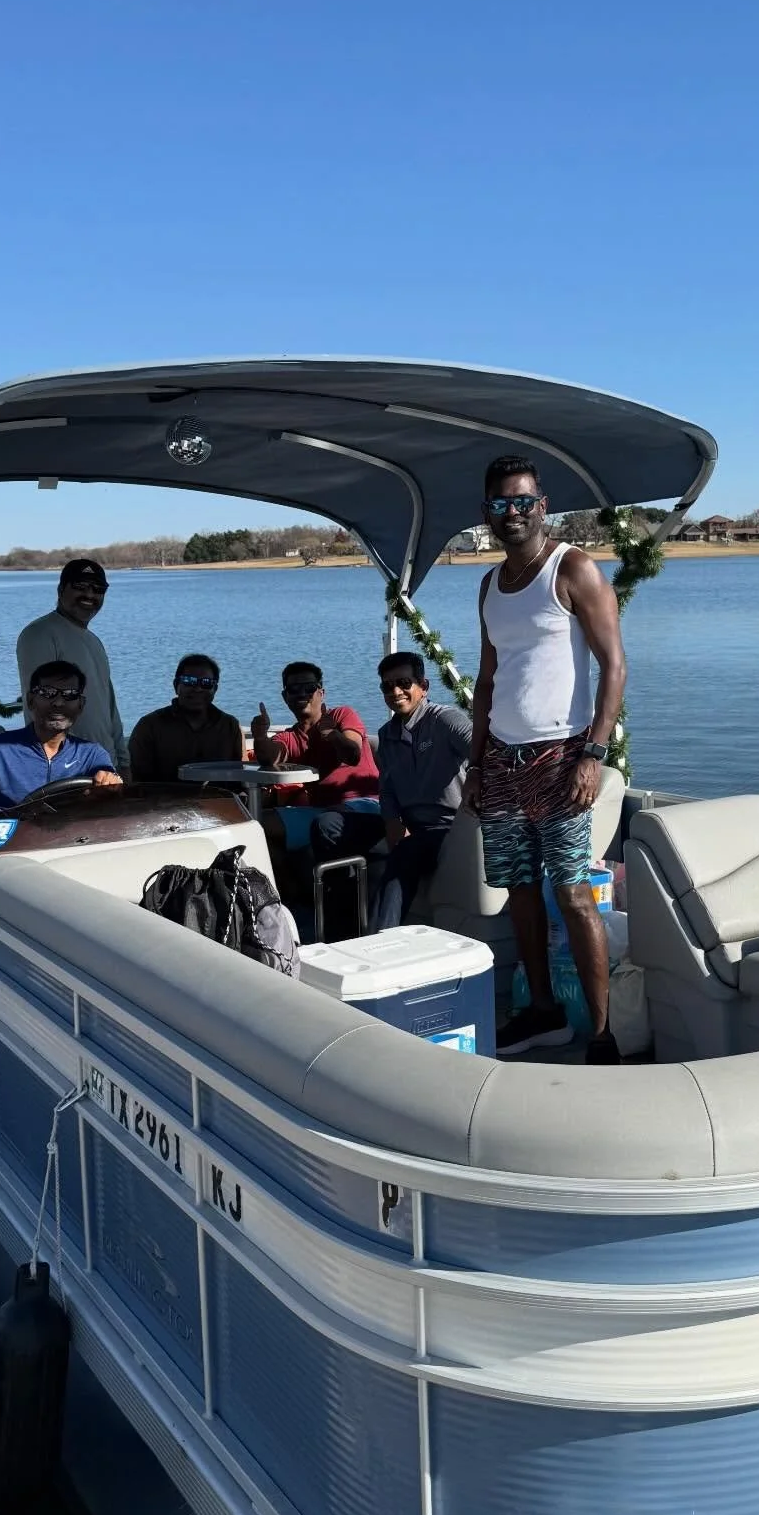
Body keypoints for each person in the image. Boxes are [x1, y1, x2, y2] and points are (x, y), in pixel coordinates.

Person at [464, 455, 630, 1063]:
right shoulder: (488, 585)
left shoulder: (574, 570)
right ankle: (543, 1013)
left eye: (524, 502)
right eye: (501, 505)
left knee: (573, 893)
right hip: (503, 762)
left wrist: (593, 752)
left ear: (543, 505)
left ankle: (603, 1032)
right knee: (520, 892)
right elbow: (486, 681)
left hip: (564, 758)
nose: (514, 514)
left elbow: (614, 665)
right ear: (487, 513)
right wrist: (477, 764)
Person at [0, 661, 121, 846]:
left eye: (70, 695)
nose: (58, 702)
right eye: (48, 693)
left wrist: (111, 785)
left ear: (80, 705)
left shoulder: (92, 755)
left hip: (73, 848)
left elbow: (110, 787)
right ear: (30, 700)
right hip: (5, 852)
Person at [371, 651, 471, 929]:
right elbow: (387, 787)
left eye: (404, 682)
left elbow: (483, 754)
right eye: (387, 686)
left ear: (423, 687)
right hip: (409, 824)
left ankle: (380, 939)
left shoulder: (445, 721)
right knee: (329, 828)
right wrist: (391, 821)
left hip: (448, 828)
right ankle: (333, 929)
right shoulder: (386, 734)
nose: (395, 691)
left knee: (406, 852)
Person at [250, 661, 380, 864]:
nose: (302, 694)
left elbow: (352, 755)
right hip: (320, 812)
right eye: (294, 689)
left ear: (321, 693)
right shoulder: (290, 737)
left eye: (309, 688)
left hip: (366, 804)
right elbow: (271, 756)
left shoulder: (342, 715)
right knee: (254, 826)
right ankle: (291, 890)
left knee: (328, 820)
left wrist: (332, 735)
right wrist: (259, 737)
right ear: (286, 697)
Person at [16, 558, 129, 772]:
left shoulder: (94, 641)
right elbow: (41, 707)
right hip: (64, 769)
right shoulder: (40, 634)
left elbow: (110, 709)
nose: (89, 595)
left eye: (98, 589)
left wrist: (123, 762)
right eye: (80, 587)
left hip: (104, 767)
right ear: (60, 590)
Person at [128, 653, 244, 785]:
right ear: (176, 685)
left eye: (206, 683)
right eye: (190, 681)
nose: (198, 688)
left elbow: (241, 777)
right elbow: (136, 781)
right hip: (164, 803)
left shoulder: (230, 726)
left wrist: (260, 739)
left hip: (220, 803)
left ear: (215, 689)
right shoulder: (149, 727)